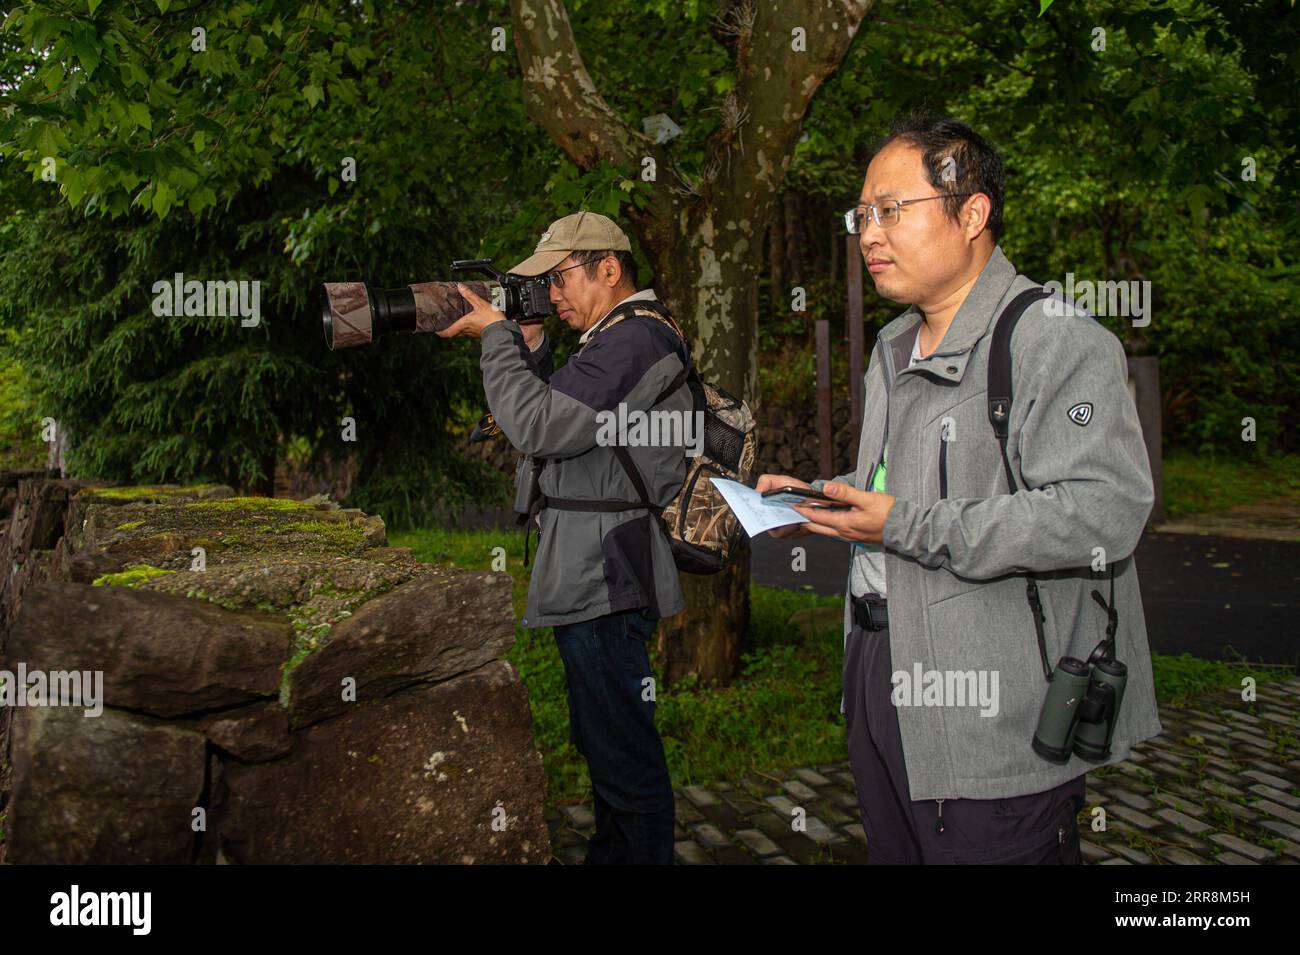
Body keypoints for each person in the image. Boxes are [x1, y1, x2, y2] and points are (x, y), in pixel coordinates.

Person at [756, 115, 1163, 864]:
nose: (869, 234)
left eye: (891, 209)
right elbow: (893, 488)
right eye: (862, 215)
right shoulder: (893, 345)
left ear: (972, 213)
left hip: (991, 704)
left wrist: (904, 524)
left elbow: (1104, 512)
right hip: (879, 666)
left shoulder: (1058, 340)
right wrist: (815, 499)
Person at [438, 211, 690, 864]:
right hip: (594, 567)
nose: (551, 295)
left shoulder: (635, 340)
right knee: (605, 743)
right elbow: (573, 419)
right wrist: (527, 346)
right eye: (545, 284)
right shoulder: (612, 340)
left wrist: (495, 337)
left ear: (610, 269)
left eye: (560, 278)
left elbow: (541, 427)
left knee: (623, 751)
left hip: (604, 574)